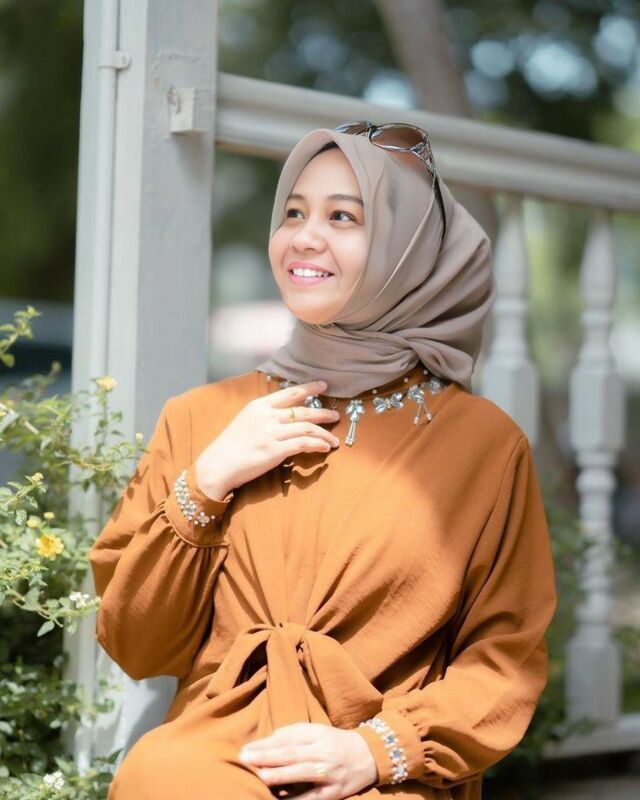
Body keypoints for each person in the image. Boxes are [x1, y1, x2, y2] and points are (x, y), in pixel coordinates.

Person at [89, 122, 558, 800]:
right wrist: (207, 483)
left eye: (343, 217)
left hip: (381, 772)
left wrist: (377, 750)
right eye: (293, 212)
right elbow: (137, 643)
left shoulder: (484, 445)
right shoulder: (201, 418)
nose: (305, 238)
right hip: (214, 759)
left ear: (408, 248)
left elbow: (504, 657)